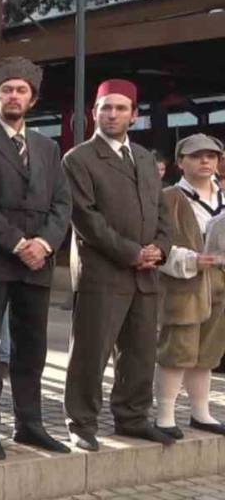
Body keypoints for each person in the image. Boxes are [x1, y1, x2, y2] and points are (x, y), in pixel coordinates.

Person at [0, 57, 73, 459]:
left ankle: (29, 423)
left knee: (33, 346)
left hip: (37, 263)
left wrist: (43, 245)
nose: (13, 96)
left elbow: (63, 203)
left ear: (32, 99)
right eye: (6, 90)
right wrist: (16, 243)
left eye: (21, 90)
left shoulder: (48, 147)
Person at [62, 78, 174, 451]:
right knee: (91, 353)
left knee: (140, 352)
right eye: (105, 108)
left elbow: (161, 212)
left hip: (146, 274)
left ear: (134, 115)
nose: (112, 114)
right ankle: (81, 422)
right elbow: (87, 219)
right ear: (93, 113)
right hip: (103, 273)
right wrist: (132, 252)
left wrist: (160, 248)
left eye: (120, 108)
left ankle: (132, 417)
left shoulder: (144, 158)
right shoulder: (78, 159)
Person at [154, 134, 225, 437]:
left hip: (219, 283)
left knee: (208, 351)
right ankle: (165, 415)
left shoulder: (222, 196)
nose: (205, 161)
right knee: (177, 349)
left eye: (211, 156)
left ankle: (201, 412)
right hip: (184, 284)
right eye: (197, 156)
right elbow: (158, 243)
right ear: (181, 162)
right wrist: (190, 259)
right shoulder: (169, 197)